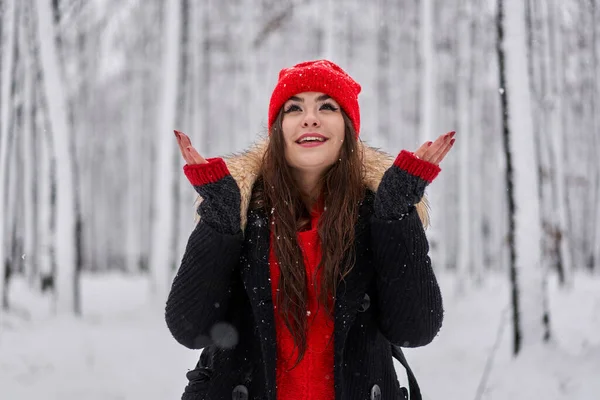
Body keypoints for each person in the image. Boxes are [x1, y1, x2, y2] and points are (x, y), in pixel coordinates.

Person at [166, 59, 454, 400]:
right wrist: (220, 217)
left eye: (327, 106)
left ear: (348, 129)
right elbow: (189, 328)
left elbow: (415, 329)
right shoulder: (241, 213)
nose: (310, 117)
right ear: (277, 130)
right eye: (294, 108)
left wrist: (395, 213)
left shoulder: (377, 214)